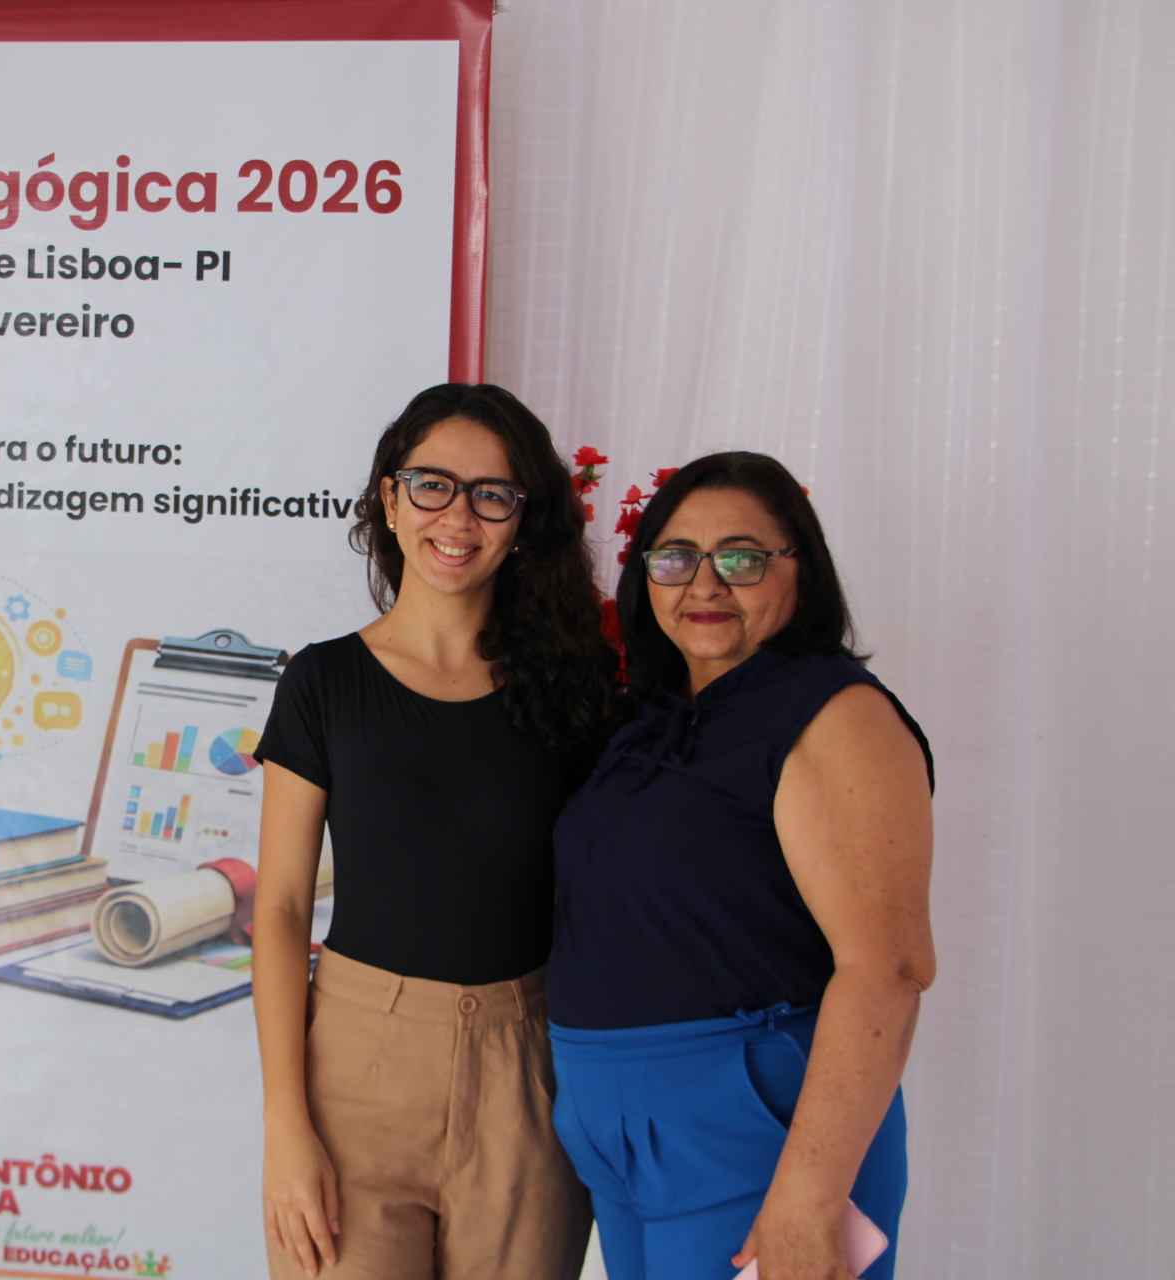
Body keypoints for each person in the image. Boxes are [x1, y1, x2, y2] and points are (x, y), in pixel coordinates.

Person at [251, 383, 623, 1280]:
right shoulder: (324, 683)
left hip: (527, 1069)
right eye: (432, 485)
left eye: (492, 494)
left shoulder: (574, 694)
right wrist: (285, 1129)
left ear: (523, 520)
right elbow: (282, 909)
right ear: (390, 497)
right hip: (355, 1068)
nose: (459, 516)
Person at [546, 452, 936, 1280]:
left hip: (752, 1135)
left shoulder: (837, 716)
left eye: (742, 557)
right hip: (616, 1134)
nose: (705, 584)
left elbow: (890, 965)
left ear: (803, 572)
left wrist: (809, 1195)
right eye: (676, 557)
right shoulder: (656, 719)